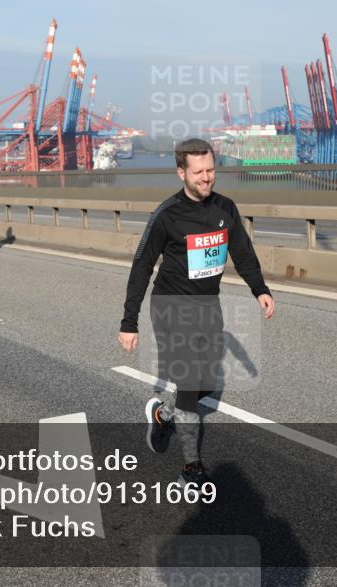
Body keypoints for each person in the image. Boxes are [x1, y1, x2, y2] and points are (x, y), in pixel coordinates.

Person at [118, 138, 275, 486]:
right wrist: (129, 322)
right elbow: (142, 266)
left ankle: (164, 412)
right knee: (190, 382)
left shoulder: (226, 208)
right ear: (181, 173)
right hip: (171, 307)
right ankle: (191, 466)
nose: (207, 178)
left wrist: (260, 289)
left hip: (208, 306)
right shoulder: (166, 215)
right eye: (199, 172)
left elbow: (243, 253)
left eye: (211, 170)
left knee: (205, 383)